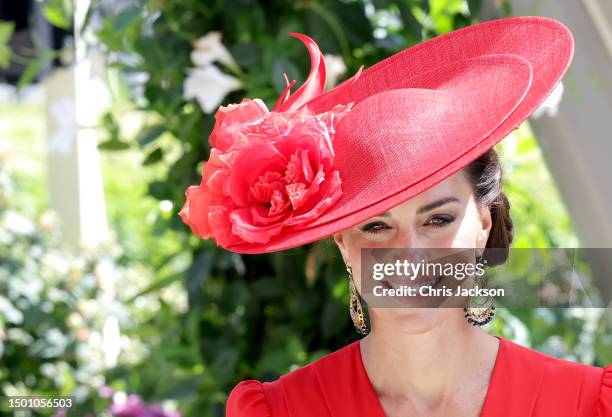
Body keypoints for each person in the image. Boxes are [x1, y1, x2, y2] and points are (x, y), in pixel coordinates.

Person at [178, 15, 612, 417]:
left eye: (437, 219)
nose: (410, 253)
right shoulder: (282, 410)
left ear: (482, 224)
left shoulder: (586, 403)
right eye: (376, 226)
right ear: (342, 243)